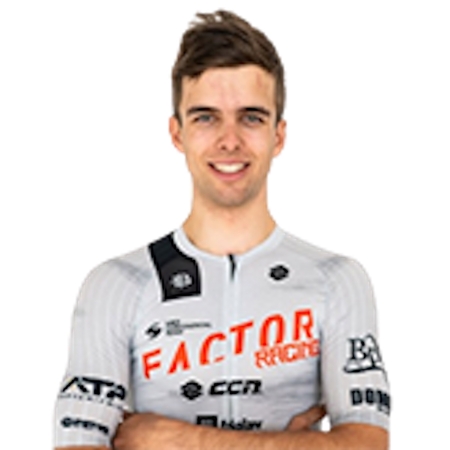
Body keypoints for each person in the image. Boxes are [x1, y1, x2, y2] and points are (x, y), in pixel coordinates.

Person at [54, 10, 390, 450]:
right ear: (177, 133)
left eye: (251, 118)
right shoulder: (116, 285)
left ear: (278, 135)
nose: (229, 141)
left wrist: (174, 438)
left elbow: (368, 444)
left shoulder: (337, 280)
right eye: (205, 118)